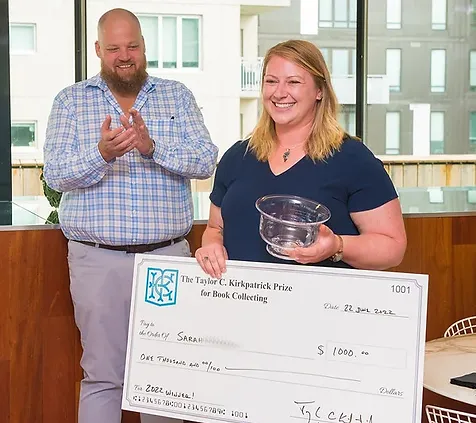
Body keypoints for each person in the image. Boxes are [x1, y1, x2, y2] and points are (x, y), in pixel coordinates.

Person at [43, 8, 218, 423]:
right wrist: (101, 154)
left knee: (166, 375)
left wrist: (152, 147)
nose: (125, 56)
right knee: (103, 376)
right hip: (96, 260)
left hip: (167, 260)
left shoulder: (177, 95)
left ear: (144, 47)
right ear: (99, 50)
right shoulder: (71, 101)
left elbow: (206, 161)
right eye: (115, 48)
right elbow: (56, 174)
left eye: (133, 46)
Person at [195, 39, 406, 279]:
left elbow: (393, 248)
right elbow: (215, 228)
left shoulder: (353, 159)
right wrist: (211, 245)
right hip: (245, 304)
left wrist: (336, 246)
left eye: (293, 82)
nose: (279, 92)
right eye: (271, 81)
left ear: (319, 91)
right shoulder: (237, 156)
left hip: (320, 308)